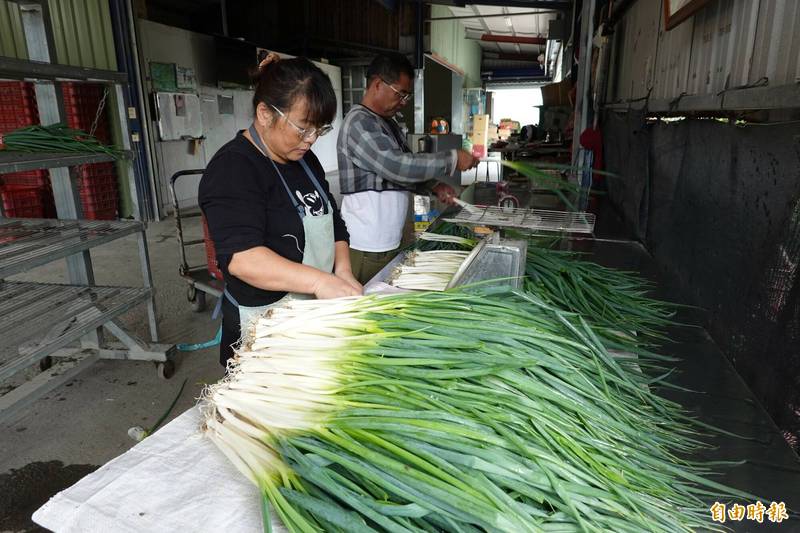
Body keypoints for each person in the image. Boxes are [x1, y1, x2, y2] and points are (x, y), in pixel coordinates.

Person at [199, 54, 361, 366]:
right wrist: (319, 281)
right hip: (264, 327)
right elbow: (243, 259)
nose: (311, 140)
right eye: (303, 128)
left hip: (310, 316)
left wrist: (341, 271)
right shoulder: (233, 169)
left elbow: (334, 223)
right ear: (264, 113)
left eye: (319, 130)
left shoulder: (305, 160)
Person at [337, 52, 479, 285]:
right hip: (366, 244)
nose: (404, 101)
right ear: (377, 84)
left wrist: (434, 186)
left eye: (407, 95)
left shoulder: (386, 123)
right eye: (400, 93)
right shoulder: (359, 122)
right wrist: (451, 159)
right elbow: (396, 166)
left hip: (387, 240)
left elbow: (400, 170)